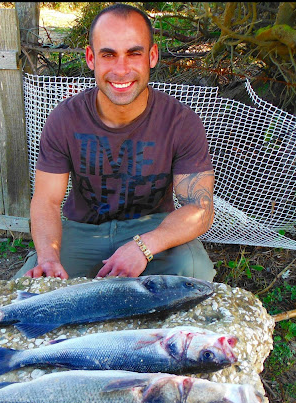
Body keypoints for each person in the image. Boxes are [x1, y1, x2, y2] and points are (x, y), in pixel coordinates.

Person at [14, 3, 215, 281]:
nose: (121, 70)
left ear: (152, 56)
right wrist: (48, 258)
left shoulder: (180, 122)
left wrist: (144, 246)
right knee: (30, 289)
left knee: (194, 274)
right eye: (108, 54)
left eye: (134, 53)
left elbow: (200, 208)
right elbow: (46, 201)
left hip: (152, 229)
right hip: (82, 230)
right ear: (91, 58)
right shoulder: (65, 118)